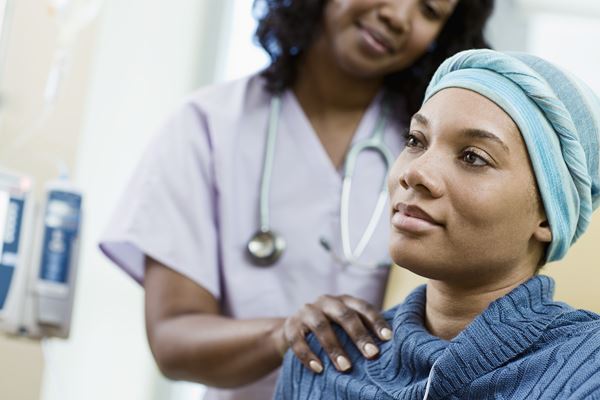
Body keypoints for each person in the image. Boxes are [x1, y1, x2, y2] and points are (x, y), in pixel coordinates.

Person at [99, 1, 494, 399]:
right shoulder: (206, 127)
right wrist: (284, 333)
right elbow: (173, 339)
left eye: (429, 10)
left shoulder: (429, 157)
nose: (398, 16)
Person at [274, 49, 600, 399]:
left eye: (473, 157)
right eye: (416, 141)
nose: (415, 173)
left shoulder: (588, 372)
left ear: (548, 217)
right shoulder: (321, 360)